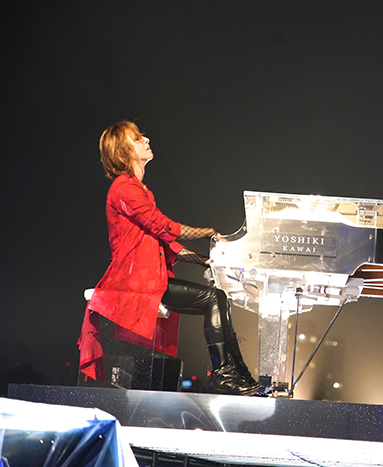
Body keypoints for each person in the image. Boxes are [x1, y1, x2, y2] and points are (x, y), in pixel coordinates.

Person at [78, 120, 263, 395]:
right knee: (214, 299)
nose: (146, 140)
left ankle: (240, 375)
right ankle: (224, 376)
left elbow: (165, 241)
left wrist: (204, 260)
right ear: (123, 150)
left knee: (218, 298)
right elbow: (163, 226)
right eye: (138, 138)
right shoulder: (123, 188)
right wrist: (209, 232)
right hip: (133, 282)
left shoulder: (140, 190)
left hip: (150, 280)